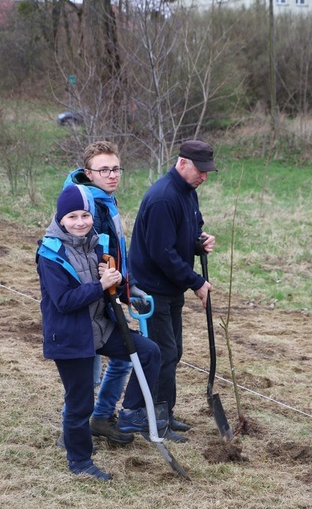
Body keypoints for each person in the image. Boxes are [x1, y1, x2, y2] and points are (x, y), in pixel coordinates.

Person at [36, 184, 162, 481]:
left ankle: (131, 413)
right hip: (69, 336)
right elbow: (65, 302)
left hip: (101, 327)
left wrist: (120, 285)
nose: (80, 222)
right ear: (60, 218)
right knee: (80, 403)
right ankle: (79, 461)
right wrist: (100, 286)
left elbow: (110, 282)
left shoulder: (97, 243)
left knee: (149, 352)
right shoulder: (50, 253)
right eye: (72, 217)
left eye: (85, 215)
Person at [128, 140, 218, 442]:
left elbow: (190, 229)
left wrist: (198, 241)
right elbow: (161, 252)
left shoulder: (187, 193)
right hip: (152, 290)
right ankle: (151, 418)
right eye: (200, 170)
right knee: (160, 353)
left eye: (207, 172)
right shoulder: (163, 198)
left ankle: (166, 413)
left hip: (170, 287)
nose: (204, 177)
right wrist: (196, 281)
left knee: (173, 352)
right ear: (182, 162)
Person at [60, 140, 150, 446]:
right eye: (104, 170)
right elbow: (92, 257)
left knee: (123, 357)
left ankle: (100, 416)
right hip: (91, 297)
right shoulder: (89, 205)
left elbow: (115, 251)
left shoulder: (105, 199)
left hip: (110, 291)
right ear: (89, 172)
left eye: (115, 169)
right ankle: (73, 430)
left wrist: (129, 285)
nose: (112, 175)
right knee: (87, 367)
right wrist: (114, 288)